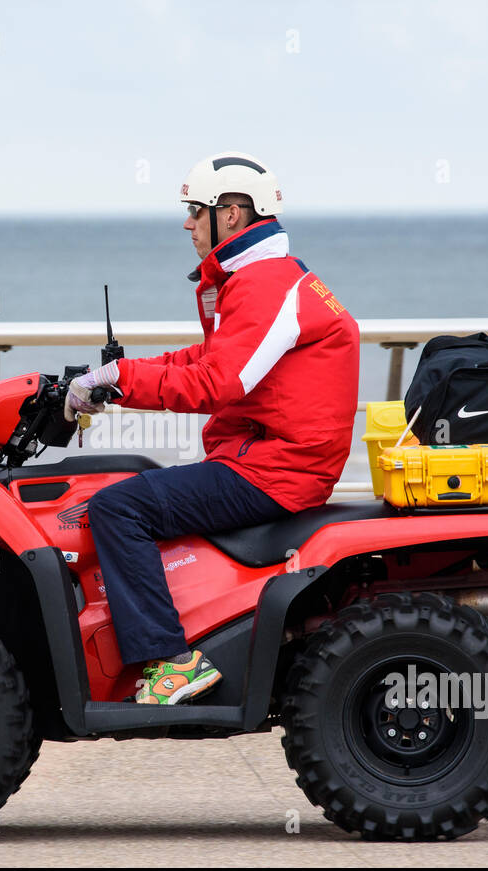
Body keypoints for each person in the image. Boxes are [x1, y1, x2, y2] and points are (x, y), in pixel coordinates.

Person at [64, 151, 360, 705]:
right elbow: (207, 358)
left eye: (194, 211)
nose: (186, 223)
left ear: (232, 213)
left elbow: (215, 383)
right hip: (266, 456)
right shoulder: (264, 278)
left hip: (275, 468)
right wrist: (112, 375)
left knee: (117, 507)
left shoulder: (266, 284)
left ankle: (172, 661)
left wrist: (121, 381)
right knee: (133, 478)